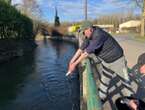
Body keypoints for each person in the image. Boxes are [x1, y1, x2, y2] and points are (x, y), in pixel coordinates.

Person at [67, 20, 133, 100]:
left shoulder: (99, 35)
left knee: (126, 82)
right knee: (104, 81)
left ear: (90, 29)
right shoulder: (90, 35)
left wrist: (74, 64)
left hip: (118, 61)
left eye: (84, 31)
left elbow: (86, 53)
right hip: (107, 62)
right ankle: (102, 97)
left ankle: (132, 103)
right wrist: (71, 61)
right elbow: (82, 47)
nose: (84, 34)